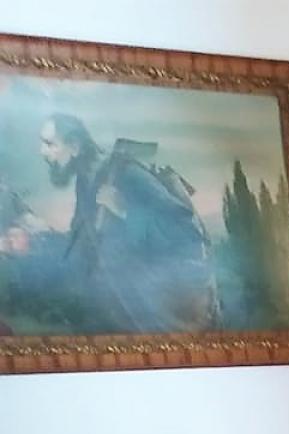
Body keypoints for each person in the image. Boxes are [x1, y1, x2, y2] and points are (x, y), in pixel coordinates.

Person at [36, 112, 219, 332]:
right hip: (118, 313)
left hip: (158, 316)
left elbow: (185, 232)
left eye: (50, 144)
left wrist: (124, 210)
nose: (43, 151)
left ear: (74, 146)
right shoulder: (85, 182)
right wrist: (42, 235)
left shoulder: (127, 173)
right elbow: (81, 244)